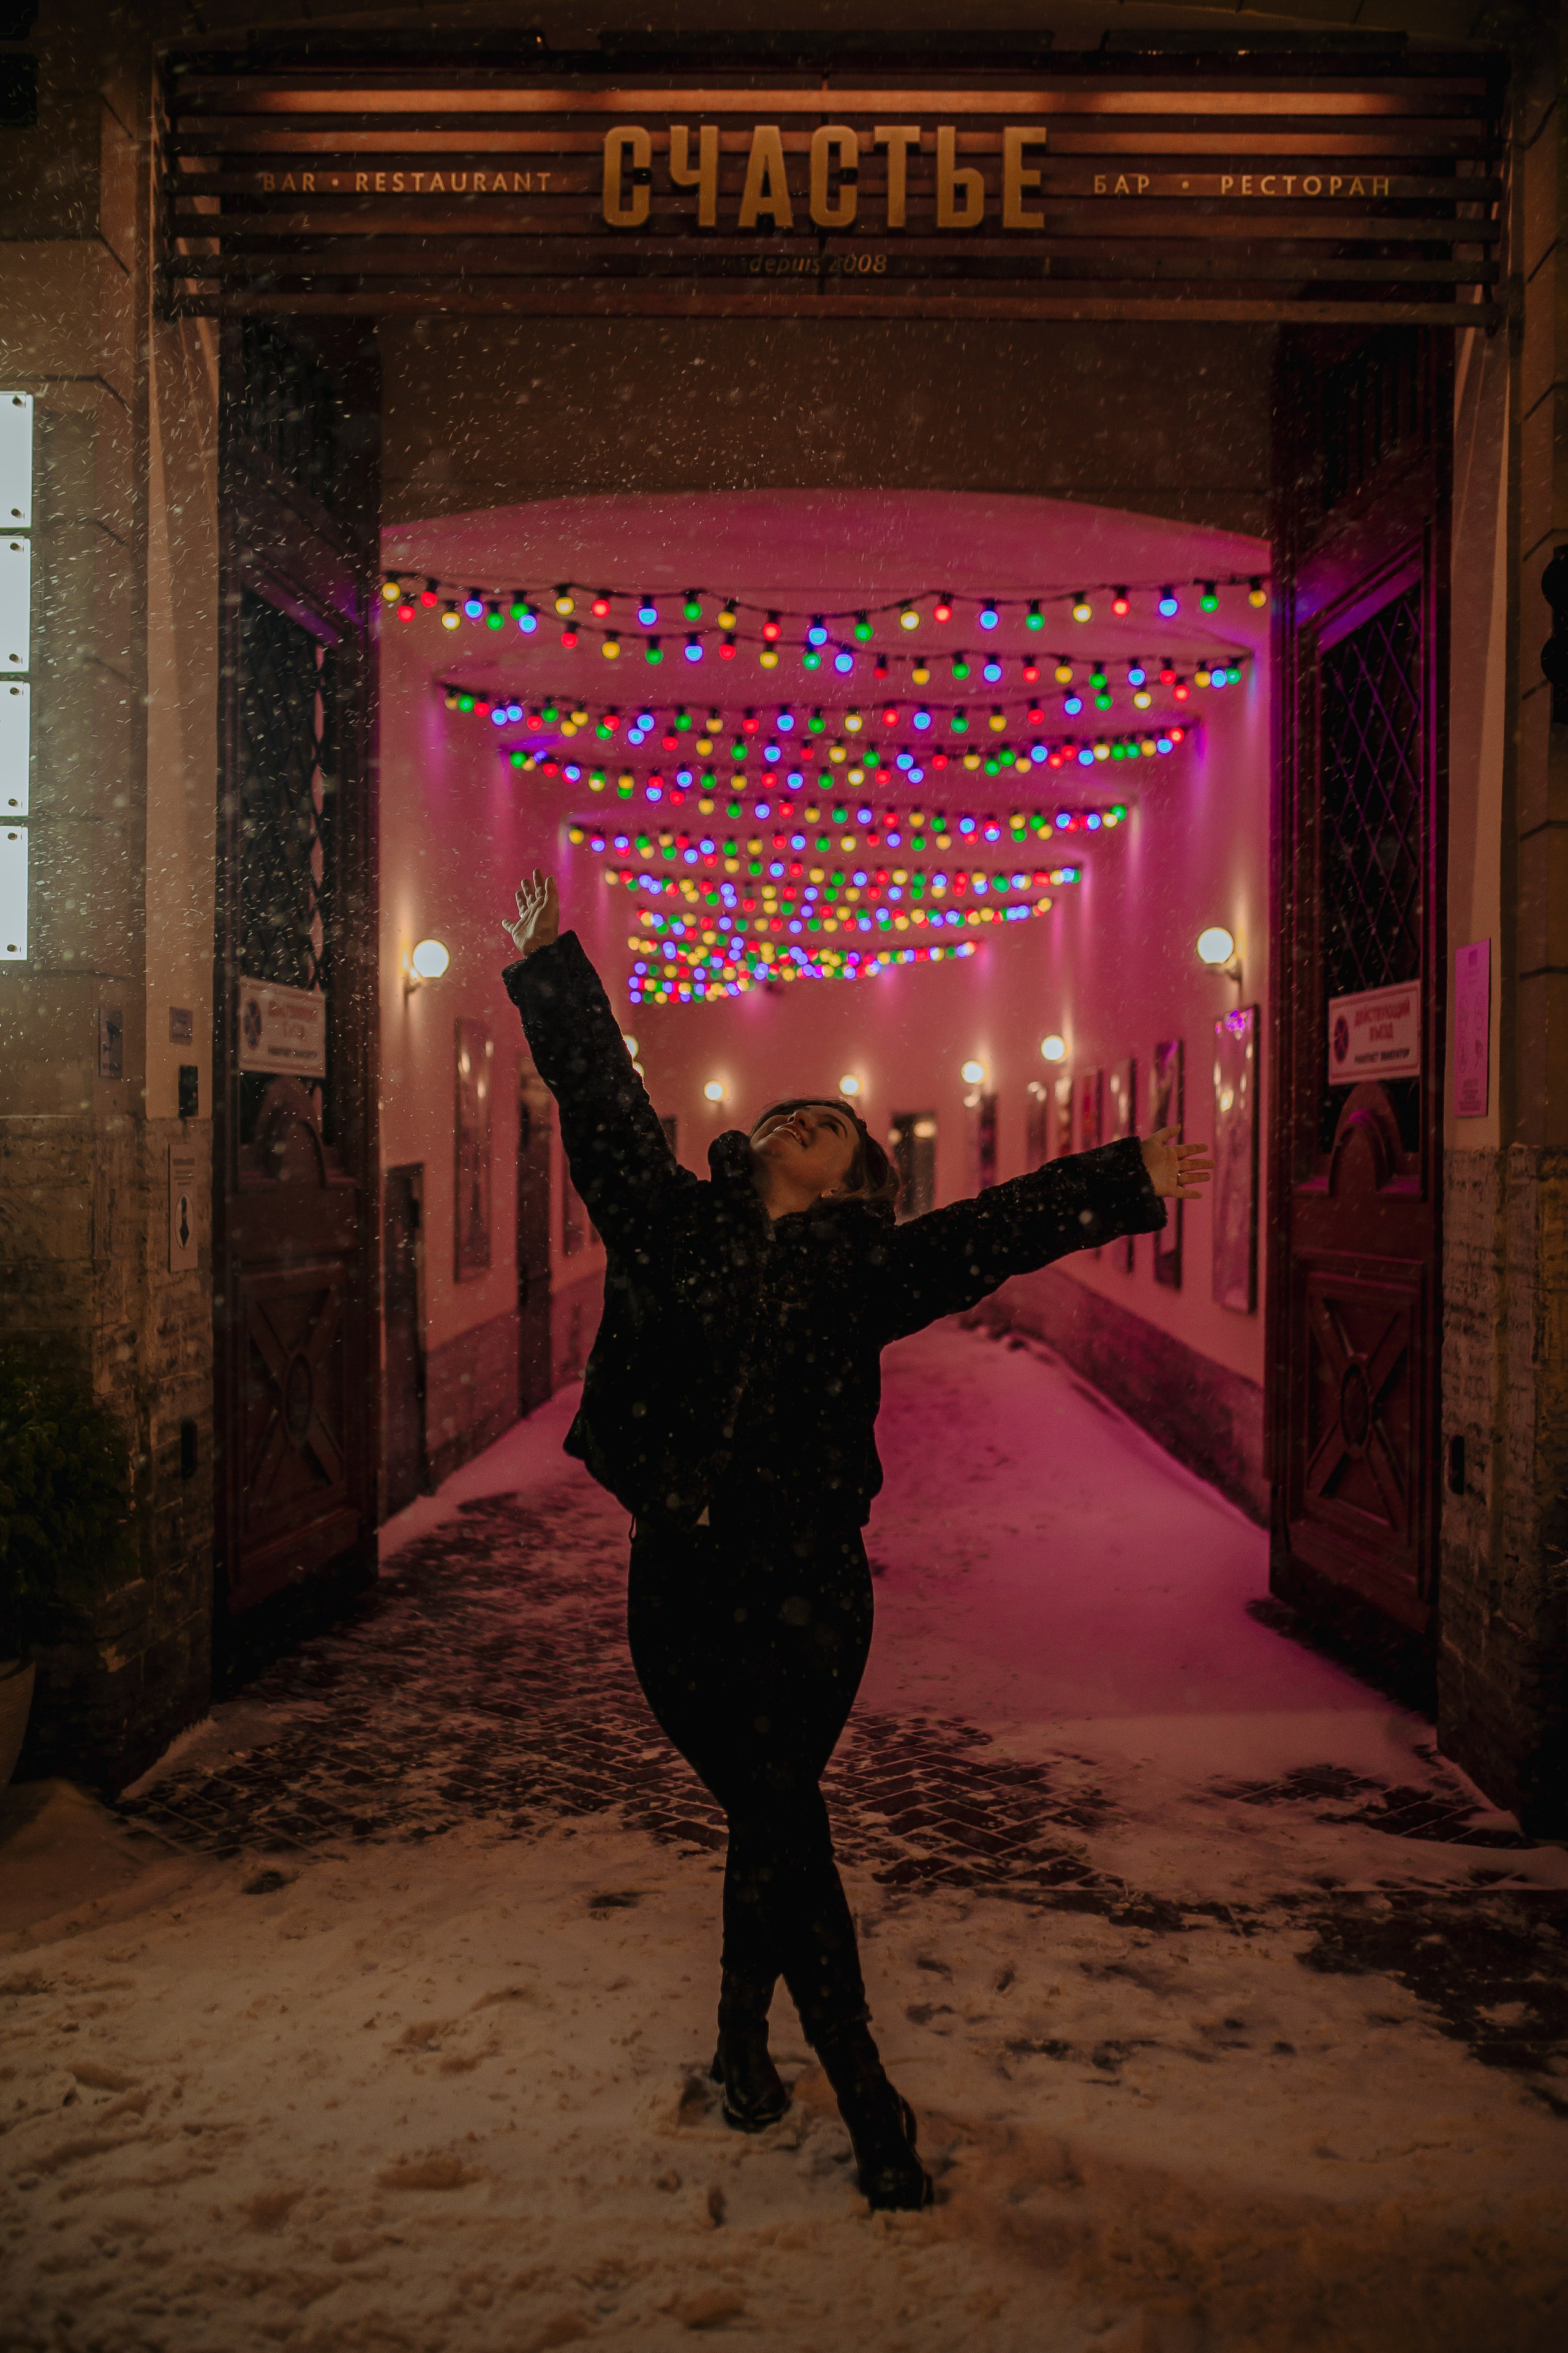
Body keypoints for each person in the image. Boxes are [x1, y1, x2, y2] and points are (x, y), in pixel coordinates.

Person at [500, 870, 1213, 2211]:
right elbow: (599, 1109)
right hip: (681, 1580)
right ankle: (798, 2065)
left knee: (776, 1810)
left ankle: (813, 2073)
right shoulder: (668, 1223)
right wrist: (551, 973)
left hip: (812, 1585)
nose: (806, 1119)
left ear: (857, 1177)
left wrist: (1122, 1178)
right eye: (794, 1111)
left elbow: (991, 1231)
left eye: (832, 1124)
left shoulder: (863, 1266)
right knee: (771, 1813)